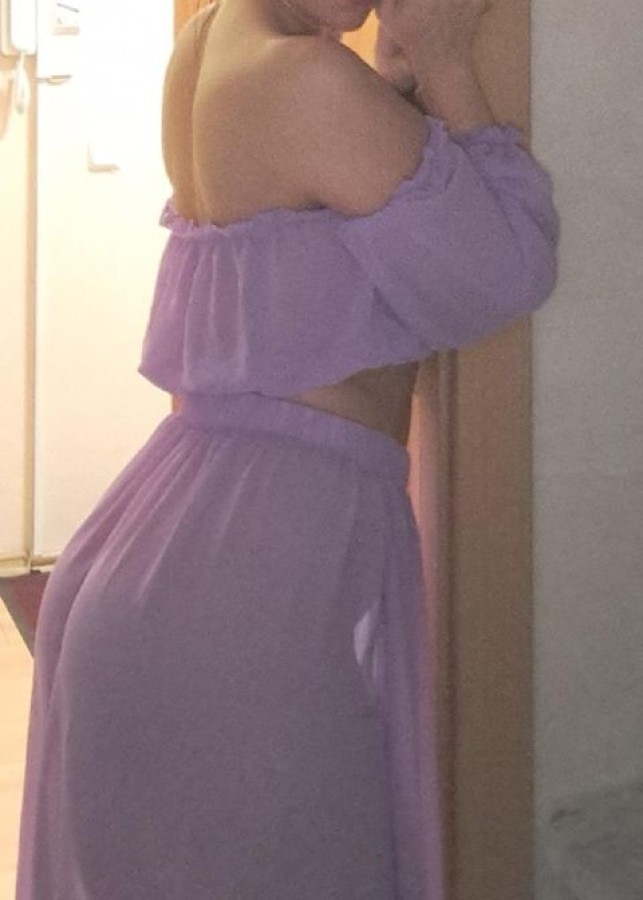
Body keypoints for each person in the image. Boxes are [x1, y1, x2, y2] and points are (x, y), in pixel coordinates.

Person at [16, 0, 559, 897]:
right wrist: (448, 62)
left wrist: (392, 87)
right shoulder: (311, 80)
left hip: (173, 554)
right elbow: (503, 272)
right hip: (245, 593)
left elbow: (326, 223)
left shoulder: (208, 48)